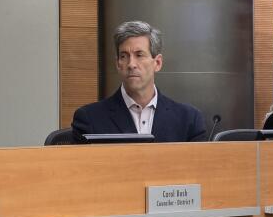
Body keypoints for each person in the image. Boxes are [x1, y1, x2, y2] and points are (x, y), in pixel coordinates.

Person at [71, 21, 206, 143]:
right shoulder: (90, 119)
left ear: (157, 63)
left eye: (139, 55)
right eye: (124, 56)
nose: (131, 64)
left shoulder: (189, 119)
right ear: (118, 64)